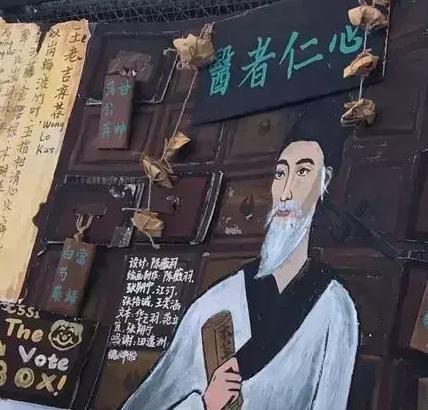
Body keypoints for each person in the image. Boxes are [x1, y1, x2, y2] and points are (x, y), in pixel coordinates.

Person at [122, 117, 358, 410]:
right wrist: (205, 405)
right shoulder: (212, 305)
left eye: (303, 172)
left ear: (325, 180)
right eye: (280, 174)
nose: (286, 191)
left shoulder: (336, 307)